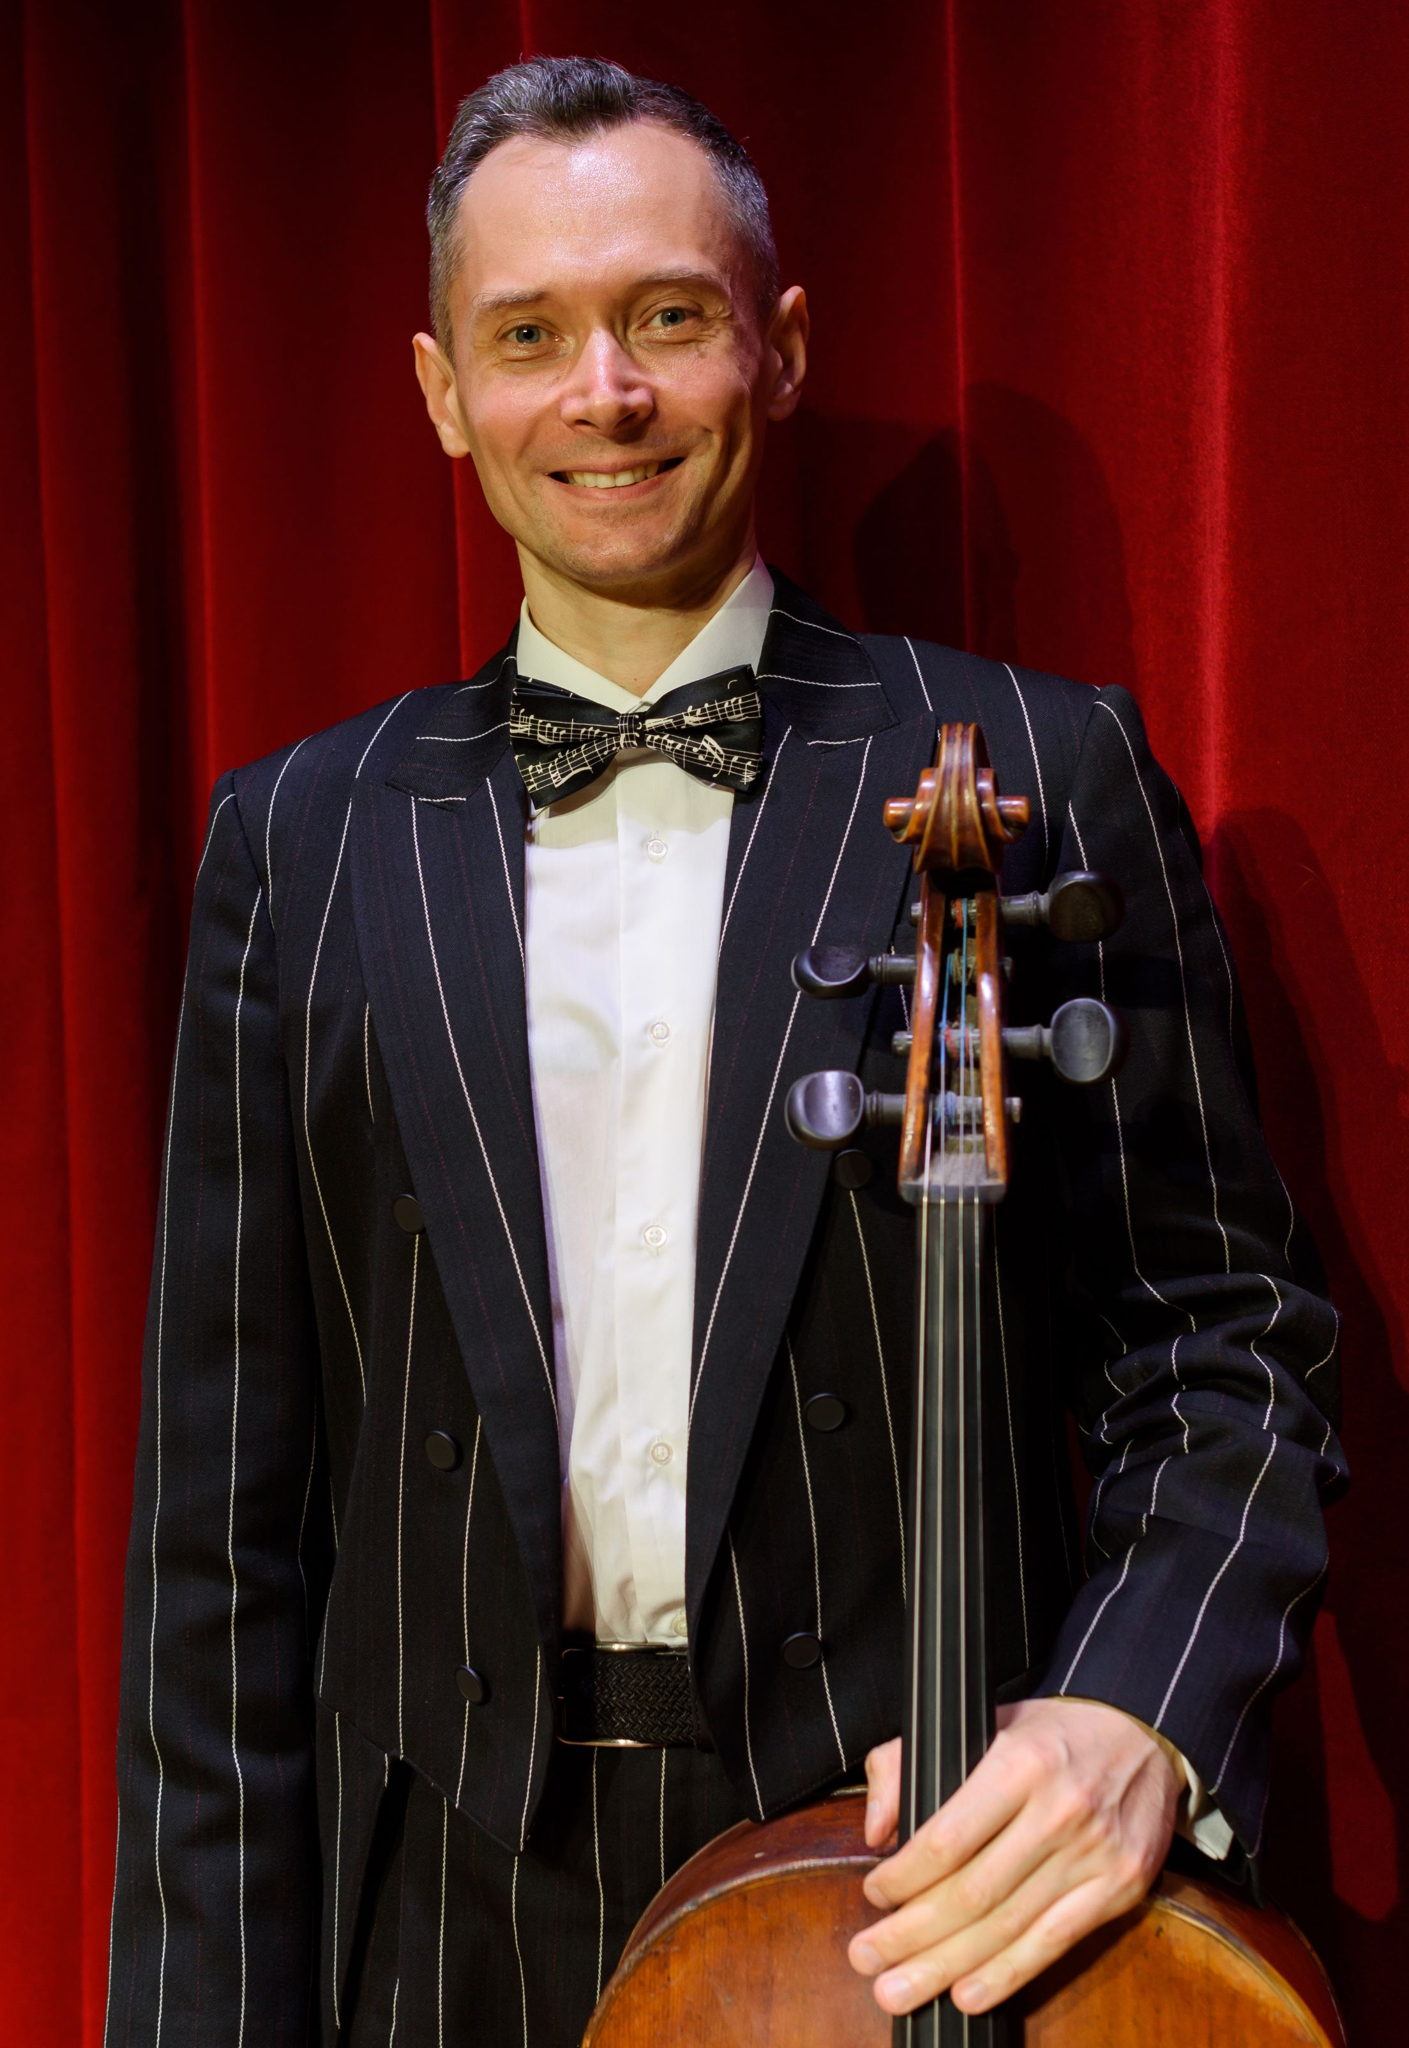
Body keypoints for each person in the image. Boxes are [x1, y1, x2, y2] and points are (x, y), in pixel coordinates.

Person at [103, 54, 1344, 2048]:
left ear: (777, 348)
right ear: (442, 391)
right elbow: (219, 1543)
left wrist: (1140, 1708)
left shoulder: (1037, 766)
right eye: (530, 335)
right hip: (440, 1929)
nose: (603, 392)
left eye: (666, 317)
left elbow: (1226, 1345)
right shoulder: (303, 842)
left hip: (906, 1885)